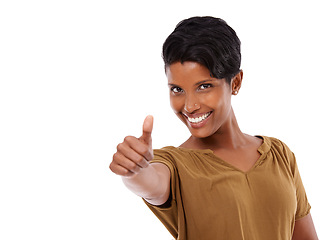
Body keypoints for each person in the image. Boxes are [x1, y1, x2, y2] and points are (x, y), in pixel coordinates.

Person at [110, 16, 318, 240]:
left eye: (204, 86)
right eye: (177, 90)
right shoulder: (174, 164)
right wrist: (135, 171)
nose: (190, 106)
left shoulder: (280, 155)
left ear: (235, 82)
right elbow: (151, 182)